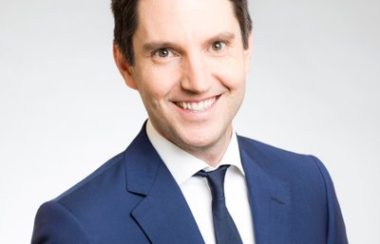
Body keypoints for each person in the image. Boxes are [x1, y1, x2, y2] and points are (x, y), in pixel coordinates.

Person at [31, 0, 348, 243]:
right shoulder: (76, 227)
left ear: (247, 48)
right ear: (126, 65)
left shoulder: (309, 185)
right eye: (165, 52)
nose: (196, 82)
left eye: (217, 45)